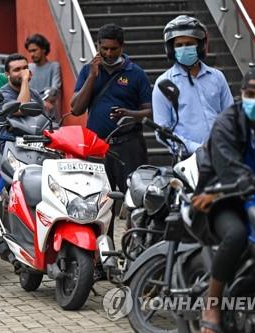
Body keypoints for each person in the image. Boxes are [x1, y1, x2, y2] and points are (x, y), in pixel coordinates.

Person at [191, 66, 255, 333]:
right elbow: (226, 165)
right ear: (242, 94)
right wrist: (247, 179)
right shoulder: (227, 121)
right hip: (221, 195)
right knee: (236, 234)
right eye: (249, 93)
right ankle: (213, 303)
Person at [71, 23, 152, 241]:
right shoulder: (88, 71)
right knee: (98, 202)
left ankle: (134, 248)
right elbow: (75, 109)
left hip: (129, 144)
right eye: (104, 48)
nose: (108, 53)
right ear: (97, 46)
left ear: (122, 47)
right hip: (96, 147)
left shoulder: (136, 74)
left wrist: (130, 114)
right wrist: (92, 77)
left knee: (136, 200)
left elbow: (150, 110)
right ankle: (102, 255)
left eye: (113, 49)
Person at [153, 15, 234, 154]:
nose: (184, 48)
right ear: (171, 49)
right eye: (179, 45)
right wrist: (196, 149)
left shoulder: (217, 77)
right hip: (187, 159)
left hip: (222, 153)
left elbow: (230, 115)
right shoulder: (164, 83)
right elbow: (162, 131)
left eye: (190, 44)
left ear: (201, 46)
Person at [0, 54, 43, 127]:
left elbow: (43, 119)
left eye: (25, 68)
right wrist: (24, 80)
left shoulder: (34, 93)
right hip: (10, 137)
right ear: (7, 74)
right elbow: (22, 109)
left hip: (34, 136)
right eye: (17, 70)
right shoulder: (2, 95)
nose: (23, 73)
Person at [25, 33, 61, 118]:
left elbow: (55, 88)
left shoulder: (53, 66)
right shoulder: (28, 67)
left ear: (44, 49)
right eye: (30, 51)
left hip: (48, 114)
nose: (32, 54)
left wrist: (48, 96)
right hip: (30, 112)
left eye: (34, 50)